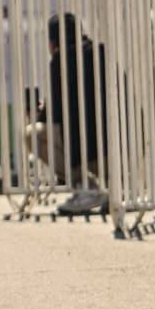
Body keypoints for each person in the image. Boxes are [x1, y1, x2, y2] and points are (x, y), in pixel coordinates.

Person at [27, 13, 108, 215]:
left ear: (53, 42)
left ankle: (86, 188)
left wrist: (38, 113)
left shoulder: (61, 62)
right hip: (124, 151)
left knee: (33, 134)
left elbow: (53, 116)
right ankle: (122, 187)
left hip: (92, 155)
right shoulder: (101, 52)